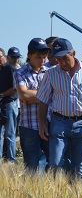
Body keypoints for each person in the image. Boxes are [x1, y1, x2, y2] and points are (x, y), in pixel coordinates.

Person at [37, 38, 82, 179]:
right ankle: (59, 197)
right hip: (59, 122)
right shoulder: (51, 74)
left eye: (65, 59)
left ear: (73, 53)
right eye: (58, 60)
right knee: (55, 164)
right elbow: (43, 101)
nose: (62, 63)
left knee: (78, 168)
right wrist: (42, 124)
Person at [14, 38, 51, 171]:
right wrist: (46, 95)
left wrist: (33, 96)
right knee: (32, 166)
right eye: (38, 57)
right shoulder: (20, 73)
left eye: (44, 57)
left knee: (50, 164)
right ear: (29, 55)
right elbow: (24, 95)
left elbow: (56, 94)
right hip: (29, 126)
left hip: (49, 124)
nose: (42, 60)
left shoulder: (51, 72)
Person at [0, 47, 21, 162]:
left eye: (17, 57)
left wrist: (2, 95)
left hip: (10, 104)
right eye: (14, 57)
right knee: (6, 133)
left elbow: (15, 89)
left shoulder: (11, 69)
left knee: (9, 133)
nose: (16, 60)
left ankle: (11, 160)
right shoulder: (5, 69)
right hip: (5, 103)